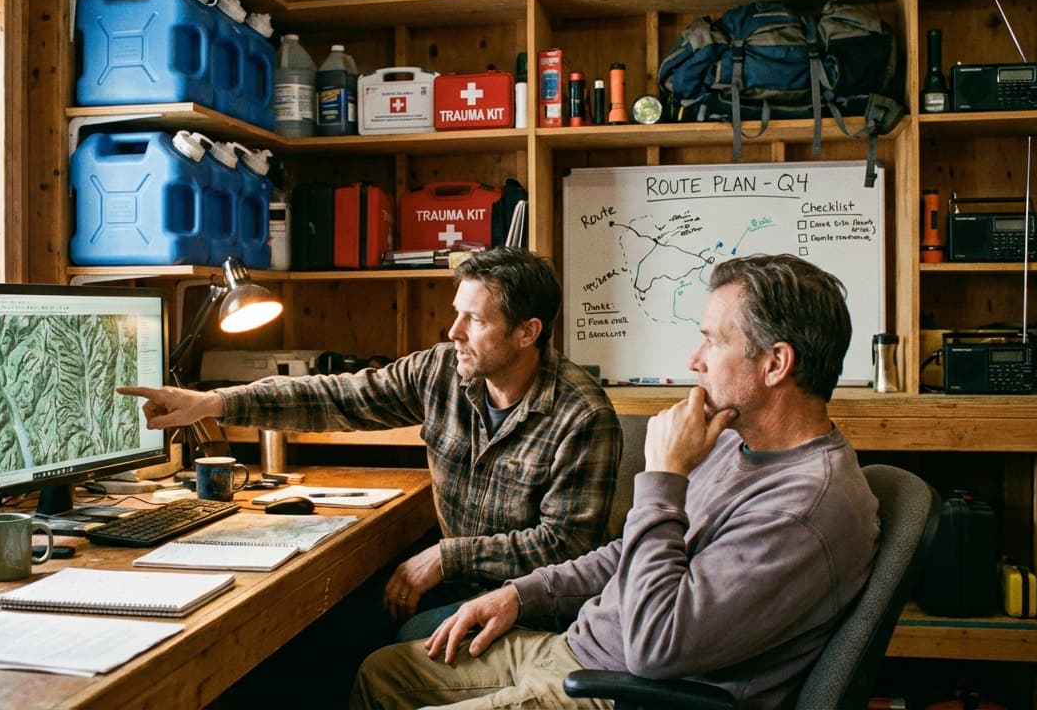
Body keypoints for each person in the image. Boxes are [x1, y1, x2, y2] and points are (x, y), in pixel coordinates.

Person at [351, 253, 882, 710]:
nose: (693, 361)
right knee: (383, 675)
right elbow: (629, 553)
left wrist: (664, 477)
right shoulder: (735, 444)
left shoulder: (802, 510)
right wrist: (518, 595)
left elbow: (657, 647)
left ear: (775, 363)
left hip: (625, 693)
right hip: (583, 650)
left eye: (711, 342)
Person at [119, 246, 621, 696]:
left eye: (475, 320)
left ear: (527, 331)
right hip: (454, 585)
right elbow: (338, 396)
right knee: (315, 632)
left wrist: (447, 558)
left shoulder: (582, 415)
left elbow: (565, 547)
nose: (454, 333)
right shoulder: (442, 370)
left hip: (530, 609)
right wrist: (212, 402)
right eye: (456, 315)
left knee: (401, 641)